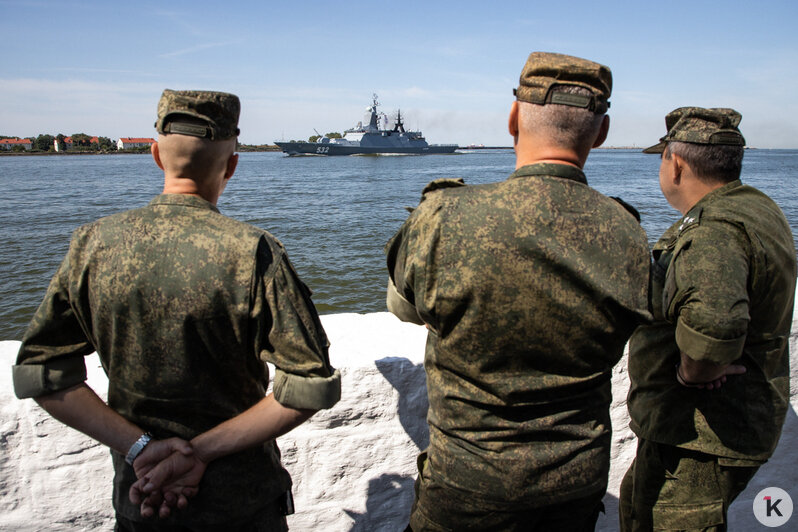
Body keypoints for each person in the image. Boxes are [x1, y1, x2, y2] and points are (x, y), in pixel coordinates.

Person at [12, 89, 341, 530]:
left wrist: (141, 448)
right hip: (242, 508)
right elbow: (311, 385)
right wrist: (199, 452)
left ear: (155, 156)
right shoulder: (254, 253)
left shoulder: (92, 245)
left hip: (141, 498)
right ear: (232, 165)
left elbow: (42, 374)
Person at [385, 52, 651, 531]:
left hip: (467, 488)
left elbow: (402, 308)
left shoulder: (444, 216)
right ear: (603, 132)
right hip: (576, 485)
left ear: (513, 119)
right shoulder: (627, 231)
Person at [620, 107, 796, 531]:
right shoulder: (756, 207)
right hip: (719, 429)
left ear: (676, 163)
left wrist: (695, 370)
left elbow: (716, 324)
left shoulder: (713, 230)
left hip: (697, 437)